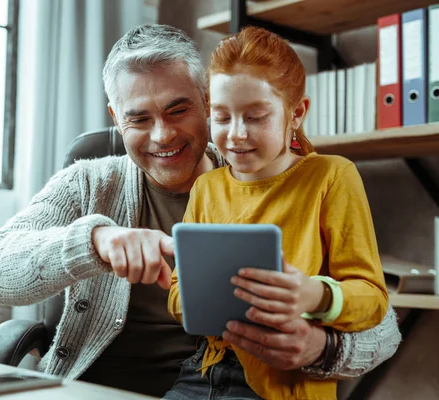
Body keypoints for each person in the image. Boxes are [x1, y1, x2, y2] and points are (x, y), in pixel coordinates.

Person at [0, 24, 401, 398]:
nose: (162, 135)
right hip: (97, 388)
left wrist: (322, 347)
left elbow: (382, 326)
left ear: (204, 99)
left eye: (179, 109)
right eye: (138, 118)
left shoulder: (284, 176)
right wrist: (94, 241)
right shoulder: (89, 182)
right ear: (116, 119)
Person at [165, 26, 389, 400]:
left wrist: (314, 295)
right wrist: (200, 298)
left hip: (285, 383)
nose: (235, 134)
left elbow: (373, 298)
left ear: (297, 112)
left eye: (255, 117)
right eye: (221, 117)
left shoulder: (332, 176)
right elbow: (175, 293)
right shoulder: (207, 187)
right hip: (204, 374)